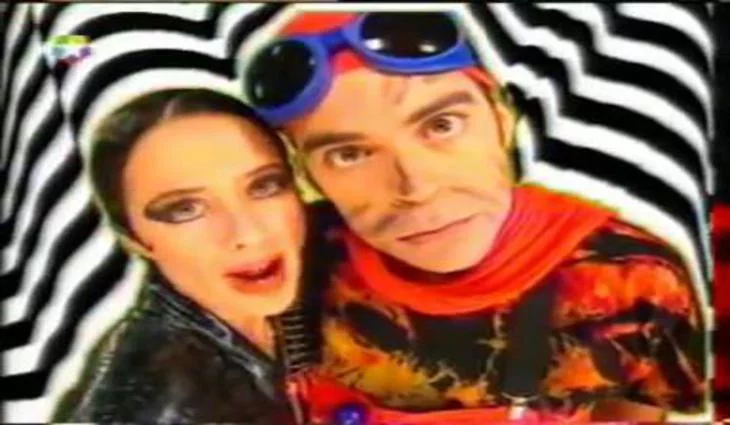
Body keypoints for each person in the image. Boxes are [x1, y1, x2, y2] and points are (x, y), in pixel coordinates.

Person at [242, 11, 708, 424]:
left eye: (441, 125)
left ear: (502, 120)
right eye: (349, 154)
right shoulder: (287, 262)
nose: (417, 189)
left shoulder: (634, 278)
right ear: (308, 175)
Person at [52, 89, 324, 424]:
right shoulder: (155, 404)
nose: (249, 234)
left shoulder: (330, 259)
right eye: (186, 209)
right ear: (134, 238)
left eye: (264, 186)